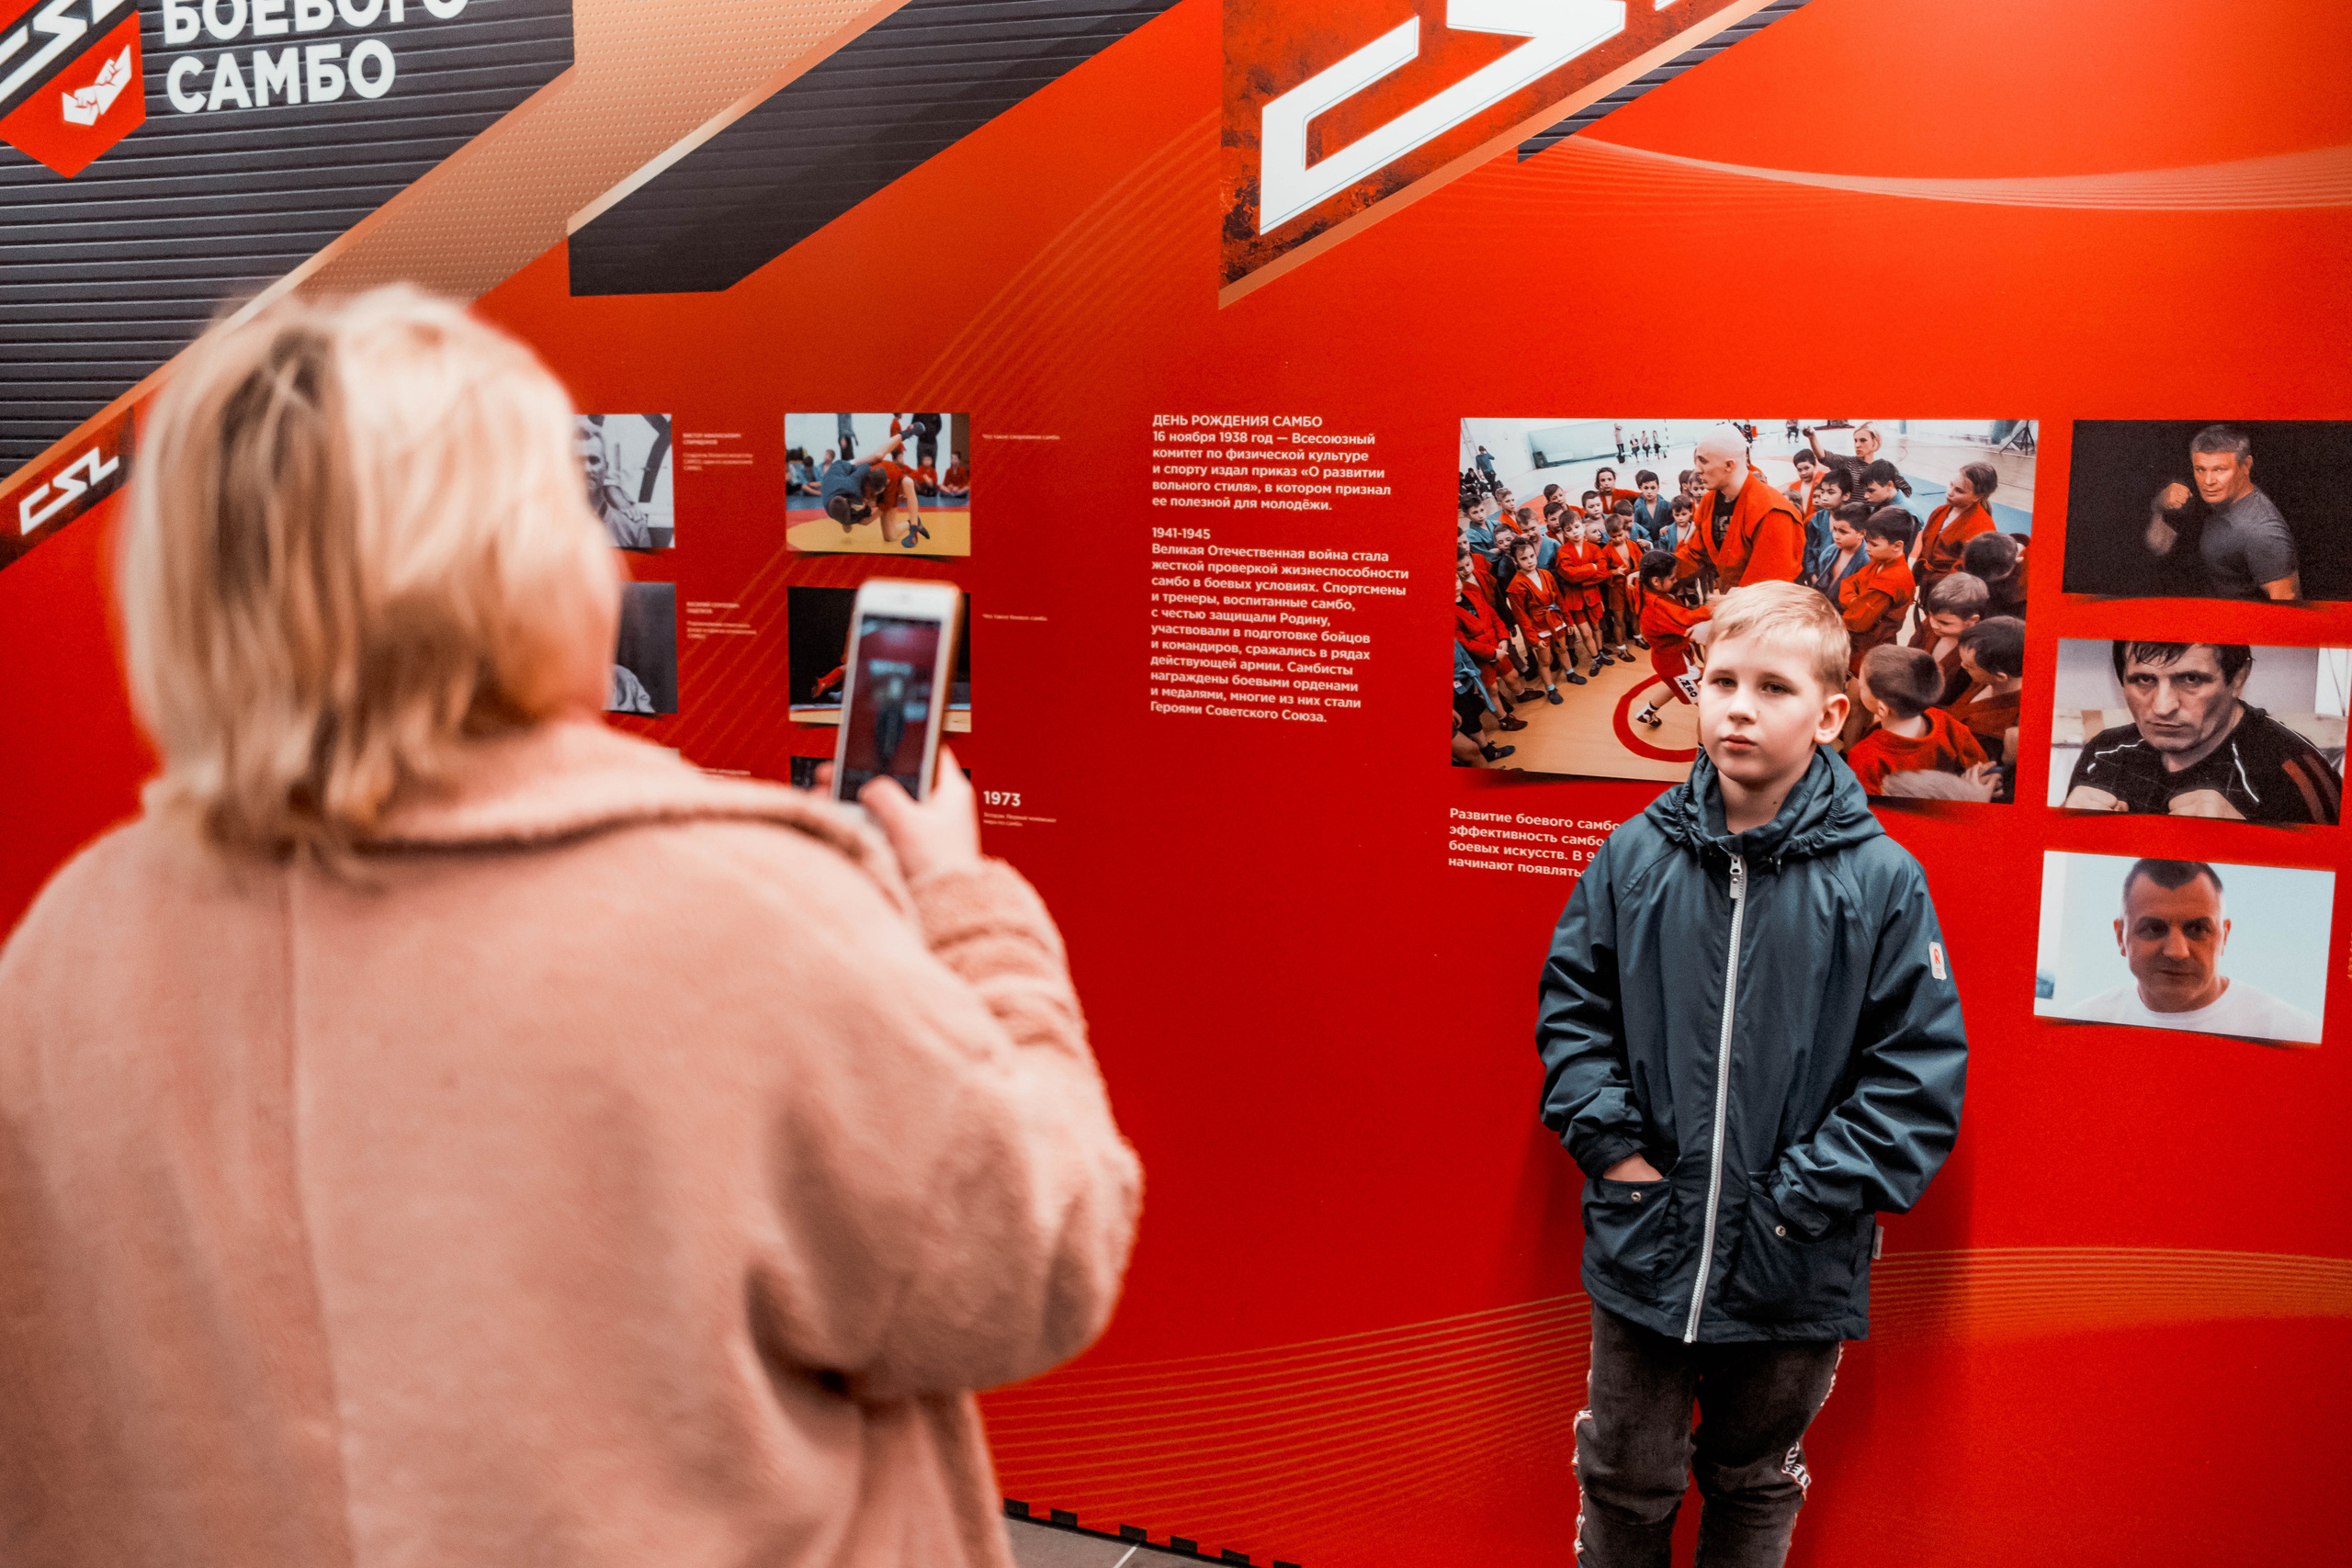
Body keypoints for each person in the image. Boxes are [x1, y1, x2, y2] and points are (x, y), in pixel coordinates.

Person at [0, 288, 1142, 1566]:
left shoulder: (62, 951)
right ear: (523, 557)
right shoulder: (751, 912)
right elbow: (1037, 1253)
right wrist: (969, 913)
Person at [1537, 581, 1967, 1568]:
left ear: (1827, 714)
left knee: (1752, 1477)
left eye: (1770, 687)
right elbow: (1573, 1010)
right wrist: (1615, 1151)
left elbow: (1916, 1070)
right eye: (1719, 680)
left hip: (1792, 1260)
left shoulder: (1879, 881)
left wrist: (1798, 1199)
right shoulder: (1633, 856)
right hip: (1644, 1246)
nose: (1736, 705)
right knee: (1623, 1475)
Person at [2063, 641, 2341, 823]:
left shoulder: (2291, 771)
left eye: (2190, 679)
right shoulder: (2104, 753)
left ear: (2239, 678)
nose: (2162, 707)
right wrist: (2065, 832)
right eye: (2144, 680)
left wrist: (2249, 844)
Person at [2061, 861, 2321, 1043]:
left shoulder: (2295, 1034)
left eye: (2197, 929)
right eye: (2154, 928)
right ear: (2120, 937)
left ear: (2225, 936)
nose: (2177, 951)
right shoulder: (2079, 1026)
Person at [2142, 424, 2301, 600]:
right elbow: (2159, 544)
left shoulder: (2263, 532)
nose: (2208, 481)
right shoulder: (2214, 494)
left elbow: (2288, 607)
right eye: (2200, 469)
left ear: (2246, 465)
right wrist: (2160, 503)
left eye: (2220, 470)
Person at [1669, 426, 1807, 592]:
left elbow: (1766, 588)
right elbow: (1695, 554)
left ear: (1729, 465)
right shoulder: (1709, 502)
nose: (1697, 469)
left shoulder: (1772, 512)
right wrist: (1654, 573)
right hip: (1735, 602)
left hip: (1767, 609)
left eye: (1703, 461)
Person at [1843, 645, 1990, 795]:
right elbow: (1980, 764)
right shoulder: (1943, 719)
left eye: (1861, 687)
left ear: (1882, 708)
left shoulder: (1865, 755)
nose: (1859, 688)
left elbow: (1863, 804)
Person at [1627, 550, 1713, 729]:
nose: (1676, 581)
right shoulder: (1657, 608)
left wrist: (1635, 573)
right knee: (1708, 709)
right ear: (1656, 581)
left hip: (1670, 660)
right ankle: (1702, 752)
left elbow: (1641, 577)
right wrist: (1721, 605)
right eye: (1673, 578)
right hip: (1676, 666)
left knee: (1674, 685)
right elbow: (1688, 619)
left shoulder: (1640, 586)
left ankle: (1648, 711)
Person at [1836, 510, 1916, 672]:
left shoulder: (1893, 578)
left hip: (1871, 648)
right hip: (1861, 642)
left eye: (1874, 544)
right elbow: (1848, 582)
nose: (1867, 548)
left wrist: (1852, 602)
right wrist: (1855, 602)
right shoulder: (1879, 562)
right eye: (1867, 542)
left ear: (1897, 546)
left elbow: (1859, 621)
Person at [1910, 462, 1999, 608]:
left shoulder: (1982, 528)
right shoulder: (1940, 511)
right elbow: (1925, 547)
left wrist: (1943, 597)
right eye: (1951, 484)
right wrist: (1914, 578)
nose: (1950, 492)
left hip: (1950, 595)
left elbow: (1964, 569)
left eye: (1959, 490)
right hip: (1928, 585)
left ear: (1977, 497)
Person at [821, 434, 932, 548]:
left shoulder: (890, 482)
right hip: (862, 482)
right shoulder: (860, 480)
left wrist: (869, 519)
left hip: (888, 490)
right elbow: (861, 472)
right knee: (889, 536)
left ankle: (914, 523)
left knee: (889, 535)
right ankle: (913, 524)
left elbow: (884, 504)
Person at [1945, 615, 2025, 757]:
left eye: (1969, 666)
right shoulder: (1986, 677)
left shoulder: (1999, 726)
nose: (1962, 666)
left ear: (2000, 676)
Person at [578, 419, 655, 549]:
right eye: (579, 460)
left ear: (606, 468)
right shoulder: (547, 526)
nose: (587, 468)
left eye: (594, 460)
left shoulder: (633, 528)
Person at [1915, 571, 1989, 703]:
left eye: (1944, 622)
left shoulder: (1975, 652)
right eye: (1931, 616)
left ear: (1972, 620)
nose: (1933, 624)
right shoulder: (1933, 623)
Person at [1805, 499, 1870, 603]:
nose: (1836, 536)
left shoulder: (1867, 562)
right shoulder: (1829, 552)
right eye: (1835, 530)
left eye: (1843, 532)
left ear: (1861, 533)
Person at [1630, 468, 1669, 542]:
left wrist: (1668, 527)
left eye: (1653, 488)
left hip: (1665, 542)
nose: (1649, 491)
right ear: (1641, 488)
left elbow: (1675, 523)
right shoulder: (1639, 508)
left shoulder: (1666, 505)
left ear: (1658, 488)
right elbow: (1636, 527)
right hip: (1648, 543)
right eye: (1646, 488)